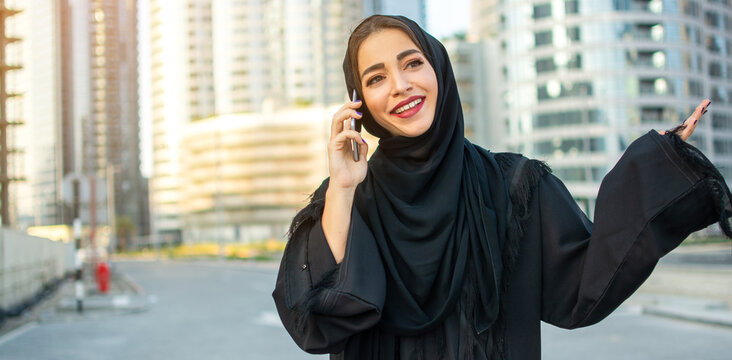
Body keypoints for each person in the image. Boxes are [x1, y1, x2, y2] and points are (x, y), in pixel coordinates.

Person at [272, 15, 731, 359]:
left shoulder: (515, 188)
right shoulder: (348, 199)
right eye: (375, 78)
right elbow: (316, 318)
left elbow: (582, 286)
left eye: (413, 63)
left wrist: (657, 165)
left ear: (439, 70)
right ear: (360, 103)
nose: (400, 85)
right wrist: (344, 187)